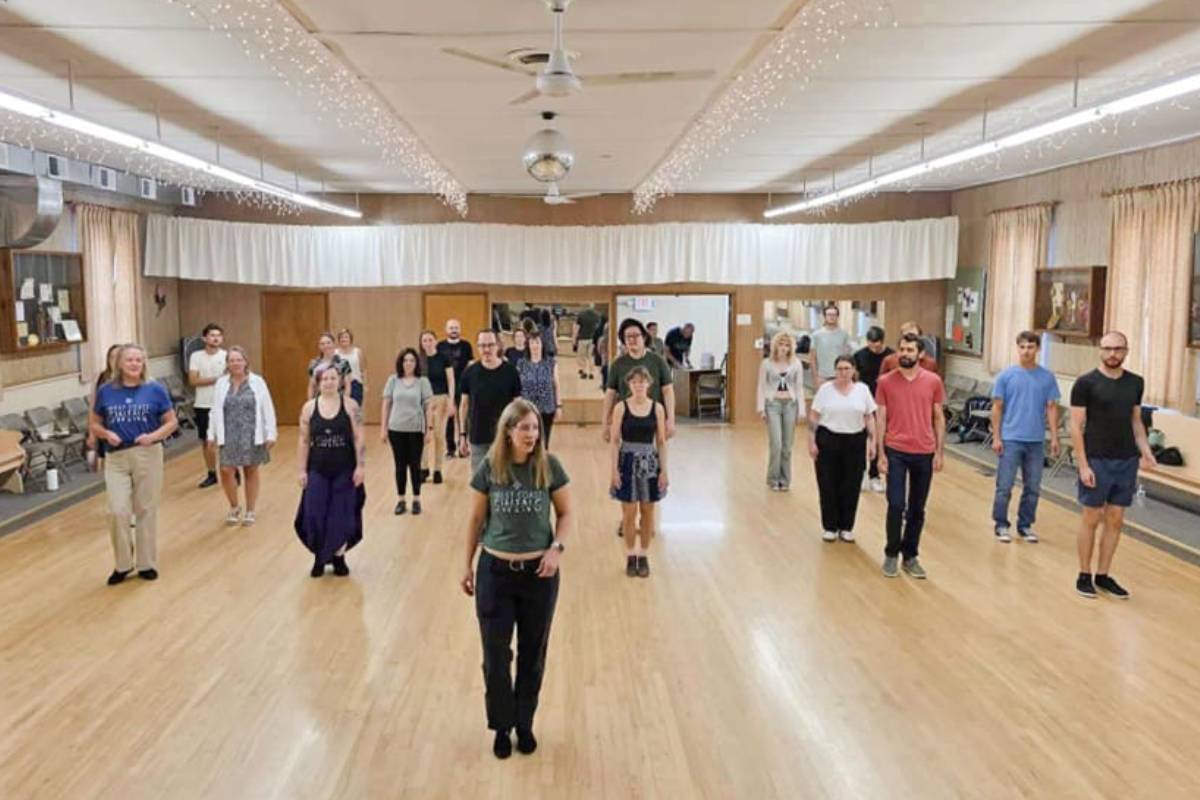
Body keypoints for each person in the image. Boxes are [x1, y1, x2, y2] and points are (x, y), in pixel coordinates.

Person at [460, 399, 572, 760]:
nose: (531, 435)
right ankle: (501, 725)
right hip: (495, 572)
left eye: (535, 428)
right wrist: (467, 565)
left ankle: (524, 722)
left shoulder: (549, 466)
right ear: (508, 431)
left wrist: (556, 547)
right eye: (524, 428)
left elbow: (567, 513)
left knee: (532, 653)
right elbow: (475, 521)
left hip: (539, 576)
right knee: (495, 654)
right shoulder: (490, 468)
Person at [1069, 331, 1156, 600]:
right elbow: (1075, 426)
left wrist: (1145, 450)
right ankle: (1084, 574)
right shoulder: (1085, 383)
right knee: (1091, 517)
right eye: (1108, 349)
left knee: (1116, 520)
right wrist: (1083, 465)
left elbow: (1135, 421)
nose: (1113, 354)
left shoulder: (1135, 383)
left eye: (1118, 349)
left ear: (1126, 351)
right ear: (1100, 350)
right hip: (1096, 458)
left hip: (1126, 460)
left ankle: (1103, 575)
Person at [89, 344, 178, 585]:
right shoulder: (106, 391)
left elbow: (171, 422)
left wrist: (154, 436)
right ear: (119, 363)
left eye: (139, 360)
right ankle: (123, 564)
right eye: (129, 360)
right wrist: (106, 434)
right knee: (116, 511)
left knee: (145, 509)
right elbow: (95, 423)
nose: (134, 364)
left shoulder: (155, 389)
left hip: (147, 453)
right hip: (116, 456)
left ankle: (146, 563)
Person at [875, 334, 945, 579]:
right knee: (896, 505)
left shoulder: (933, 381)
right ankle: (891, 553)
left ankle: (911, 555)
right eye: (901, 349)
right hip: (895, 450)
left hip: (924, 451)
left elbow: (938, 417)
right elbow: (880, 417)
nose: (904, 353)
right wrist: (880, 452)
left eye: (909, 350)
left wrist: (939, 452)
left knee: (917, 508)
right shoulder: (885, 382)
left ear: (921, 354)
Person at [990, 331, 1061, 543]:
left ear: (1038, 349)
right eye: (1022, 347)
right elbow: (997, 408)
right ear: (1017, 348)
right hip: (1011, 439)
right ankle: (1001, 524)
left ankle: (1025, 524)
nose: (1026, 351)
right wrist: (996, 437)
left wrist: (1054, 437)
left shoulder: (1047, 377)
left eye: (1030, 347)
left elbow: (1051, 407)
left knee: (1033, 487)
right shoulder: (1006, 376)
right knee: (1005, 486)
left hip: (1036, 441)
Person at [296, 363, 365, 578]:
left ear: (340, 381)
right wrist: (301, 470)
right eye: (324, 379)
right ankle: (319, 555)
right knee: (314, 513)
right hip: (317, 468)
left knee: (341, 515)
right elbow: (304, 440)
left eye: (333, 378)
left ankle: (338, 557)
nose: (328, 382)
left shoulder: (351, 406)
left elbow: (359, 437)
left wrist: (360, 466)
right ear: (318, 382)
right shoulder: (309, 408)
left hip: (344, 469)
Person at [810, 355, 878, 543]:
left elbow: (869, 417)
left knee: (851, 484)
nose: (843, 372)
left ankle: (846, 526)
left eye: (847, 368)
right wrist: (812, 441)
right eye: (839, 369)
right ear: (835, 371)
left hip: (855, 441)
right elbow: (814, 416)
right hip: (828, 438)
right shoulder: (825, 390)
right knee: (828, 483)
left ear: (854, 370)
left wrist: (873, 442)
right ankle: (830, 526)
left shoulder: (862, 390)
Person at [609, 366, 669, 577]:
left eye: (642, 382)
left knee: (647, 511)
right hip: (626, 461)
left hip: (650, 463)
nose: (638, 386)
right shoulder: (621, 408)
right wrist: (614, 470)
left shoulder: (658, 409)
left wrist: (664, 471)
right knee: (628, 512)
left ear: (648, 384)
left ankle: (643, 554)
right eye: (634, 382)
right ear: (629, 385)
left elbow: (661, 441)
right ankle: (630, 555)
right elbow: (615, 441)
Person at [208, 346, 277, 526]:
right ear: (227, 364)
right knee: (226, 470)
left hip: (251, 432)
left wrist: (271, 433)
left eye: (239, 360)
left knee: (250, 470)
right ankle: (234, 506)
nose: (236, 363)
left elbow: (267, 407)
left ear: (246, 361)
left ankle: (250, 510)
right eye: (232, 360)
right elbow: (214, 410)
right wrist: (211, 434)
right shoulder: (221, 383)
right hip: (228, 432)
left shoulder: (257, 381)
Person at [459, 329, 522, 473]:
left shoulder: (511, 372)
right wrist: (462, 435)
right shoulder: (469, 373)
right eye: (482, 345)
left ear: (498, 346)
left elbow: (517, 406)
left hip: (505, 439)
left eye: (490, 345)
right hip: (478, 438)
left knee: (505, 484)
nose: (486, 349)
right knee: (480, 486)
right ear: (477, 347)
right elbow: (464, 405)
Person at [603, 319, 675, 440]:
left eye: (636, 335)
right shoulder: (618, 364)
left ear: (644, 337)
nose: (632, 339)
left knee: (657, 453)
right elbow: (610, 394)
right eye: (628, 337)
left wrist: (671, 419)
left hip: (654, 417)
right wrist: (605, 422)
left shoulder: (658, 361)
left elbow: (668, 391)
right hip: (627, 420)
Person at [381, 348, 433, 516]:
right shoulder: (393, 380)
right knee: (399, 465)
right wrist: (383, 428)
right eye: (405, 360)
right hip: (396, 428)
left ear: (416, 363)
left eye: (412, 360)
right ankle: (401, 499)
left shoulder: (422, 382)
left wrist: (429, 429)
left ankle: (416, 499)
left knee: (415, 465)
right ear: (400, 363)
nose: (408, 363)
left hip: (415, 429)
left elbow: (428, 407)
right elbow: (386, 404)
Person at [756, 331, 806, 491]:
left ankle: (785, 480)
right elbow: (761, 386)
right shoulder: (767, 363)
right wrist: (761, 408)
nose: (783, 348)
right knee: (776, 443)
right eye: (781, 344)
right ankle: (773, 479)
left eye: (787, 345)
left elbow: (799, 387)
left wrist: (802, 409)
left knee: (787, 445)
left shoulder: (796, 363)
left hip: (790, 404)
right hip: (773, 404)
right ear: (775, 346)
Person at [853, 326, 893, 492]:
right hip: (864, 401)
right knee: (861, 439)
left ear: (882, 342)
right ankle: (861, 473)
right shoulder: (859, 355)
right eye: (871, 345)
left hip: (883, 402)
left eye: (877, 346)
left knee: (879, 439)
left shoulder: (891, 356)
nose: (874, 348)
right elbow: (855, 379)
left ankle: (874, 475)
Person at [189, 323, 227, 488]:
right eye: (212, 335)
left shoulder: (227, 355)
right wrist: (217, 379)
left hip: (224, 403)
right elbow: (194, 380)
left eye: (218, 335)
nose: (216, 338)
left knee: (227, 439)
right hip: (203, 404)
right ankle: (211, 473)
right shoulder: (196, 356)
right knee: (207, 441)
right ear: (205, 338)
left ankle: (232, 470)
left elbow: (231, 379)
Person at [418, 330, 455, 484]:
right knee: (423, 435)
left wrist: (451, 401)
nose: (427, 343)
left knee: (439, 435)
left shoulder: (443, 358)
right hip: (423, 401)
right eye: (424, 340)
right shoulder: (419, 360)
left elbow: (451, 380)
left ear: (435, 341)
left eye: (430, 339)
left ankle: (438, 469)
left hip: (441, 398)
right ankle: (424, 468)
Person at [517, 327, 563, 446]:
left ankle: (542, 464)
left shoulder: (551, 363)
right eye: (532, 342)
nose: (535, 346)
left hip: (546, 407)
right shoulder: (521, 364)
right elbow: (517, 386)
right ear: (528, 345)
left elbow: (556, 385)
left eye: (537, 342)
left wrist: (558, 406)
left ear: (542, 345)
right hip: (527, 408)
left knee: (543, 442)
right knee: (529, 440)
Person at [438, 319, 475, 460]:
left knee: (464, 417)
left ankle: (463, 444)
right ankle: (450, 449)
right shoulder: (440, 346)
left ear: (459, 329)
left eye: (456, 328)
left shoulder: (466, 345)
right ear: (446, 329)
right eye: (451, 328)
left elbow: (470, 364)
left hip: (463, 386)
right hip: (446, 387)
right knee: (449, 417)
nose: (454, 330)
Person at [87, 344, 123, 471]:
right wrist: (92, 433)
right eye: (112, 357)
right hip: (106, 427)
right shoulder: (102, 378)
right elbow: (93, 406)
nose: (114, 360)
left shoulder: (131, 377)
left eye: (118, 357)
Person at [810, 304, 851, 389]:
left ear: (837, 317)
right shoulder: (817, 335)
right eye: (829, 315)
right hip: (822, 377)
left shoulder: (844, 335)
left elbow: (846, 357)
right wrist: (815, 377)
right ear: (825, 316)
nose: (832, 317)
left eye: (834, 315)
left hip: (839, 376)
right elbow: (812, 358)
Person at [307, 332, 352, 397]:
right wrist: (310, 404)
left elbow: (347, 385)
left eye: (328, 343)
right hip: (320, 400)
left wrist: (345, 402)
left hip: (338, 400)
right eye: (322, 344)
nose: (326, 346)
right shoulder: (314, 363)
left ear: (334, 344)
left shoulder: (343, 363)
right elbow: (311, 386)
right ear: (319, 346)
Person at [336, 328, 367, 406]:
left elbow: (363, 370)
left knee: (355, 409)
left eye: (346, 337)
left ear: (350, 339)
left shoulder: (357, 352)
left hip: (355, 384)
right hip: (340, 385)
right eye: (341, 337)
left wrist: (365, 385)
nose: (344, 339)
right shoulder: (335, 353)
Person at [574, 305, 601, 378]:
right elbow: (598, 328)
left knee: (582, 357)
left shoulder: (581, 315)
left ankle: (584, 371)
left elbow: (577, 328)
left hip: (582, 338)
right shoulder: (597, 315)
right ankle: (591, 373)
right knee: (590, 356)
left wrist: (574, 340)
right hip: (592, 339)